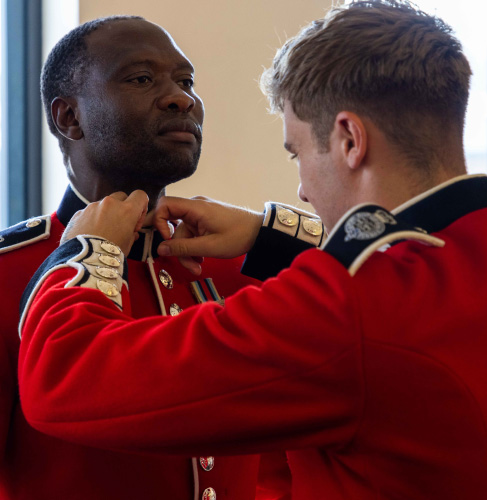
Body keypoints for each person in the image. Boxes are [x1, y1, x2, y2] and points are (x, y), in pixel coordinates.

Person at [17, 0, 487, 498]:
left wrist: (85, 253)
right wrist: (270, 236)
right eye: (141, 79)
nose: (303, 194)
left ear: (351, 140)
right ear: (68, 116)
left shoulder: (341, 305)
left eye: (297, 153)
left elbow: (67, 378)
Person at [0, 14, 302, 500]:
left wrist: (272, 235)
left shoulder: (238, 269)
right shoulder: (10, 275)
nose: (182, 98)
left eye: (186, 81)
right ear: (68, 117)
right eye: (141, 79)